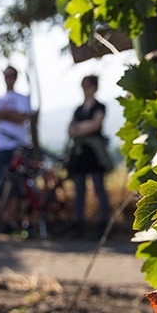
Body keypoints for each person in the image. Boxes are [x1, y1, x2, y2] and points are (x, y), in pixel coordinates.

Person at [0, 65, 33, 232]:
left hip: (16, 147)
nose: (9, 78)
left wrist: (1, 114)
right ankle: (4, 220)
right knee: (0, 185)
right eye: (6, 75)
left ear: (16, 77)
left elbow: (22, 117)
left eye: (12, 75)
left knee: (17, 186)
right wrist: (9, 114)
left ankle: (16, 221)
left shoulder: (22, 98)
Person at [66, 75, 112, 239]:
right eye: (83, 85)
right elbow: (71, 128)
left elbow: (95, 125)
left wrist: (79, 127)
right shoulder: (79, 109)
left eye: (88, 86)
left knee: (99, 188)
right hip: (79, 155)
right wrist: (83, 127)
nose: (85, 89)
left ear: (94, 87)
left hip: (94, 155)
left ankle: (103, 224)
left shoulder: (99, 106)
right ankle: (78, 224)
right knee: (79, 190)